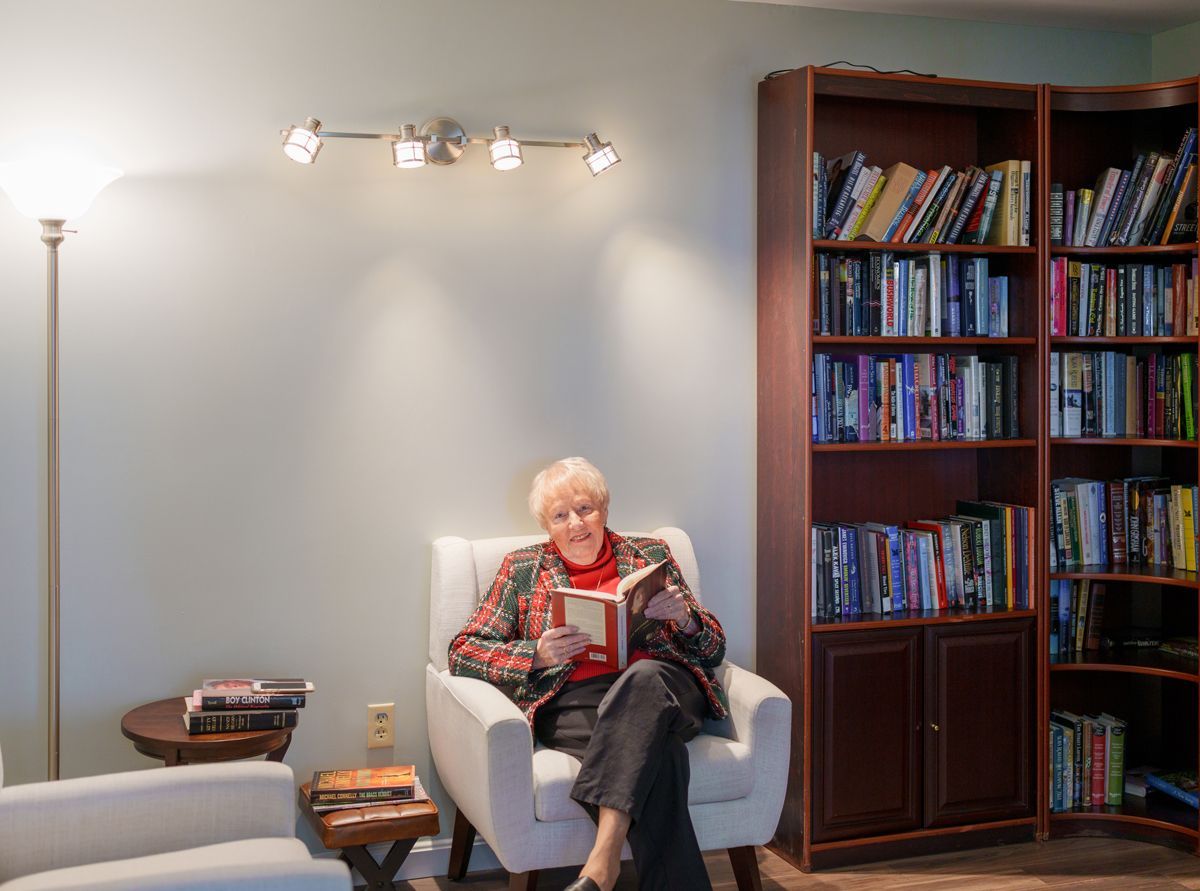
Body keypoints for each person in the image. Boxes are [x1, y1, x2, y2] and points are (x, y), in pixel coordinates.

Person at [448, 457, 728, 891]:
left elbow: (714, 648)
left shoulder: (650, 554)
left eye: (585, 509)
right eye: (561, 515)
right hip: (577, 701)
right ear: (547, 525)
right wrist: (535, 654)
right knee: (664, 755)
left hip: (668, 687)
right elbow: (463, 651)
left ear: (604, 510)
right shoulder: (522, 568)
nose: (576, 523)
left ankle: (602, 861)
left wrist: (686, 618)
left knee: (644, 679)